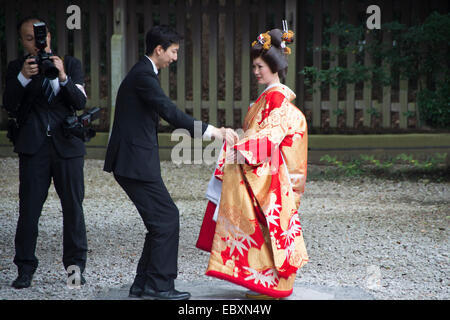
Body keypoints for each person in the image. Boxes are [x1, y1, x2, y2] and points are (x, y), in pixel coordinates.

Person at [103, 24, 238, 300]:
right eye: (173, 52)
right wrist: (215, 132)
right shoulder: (143, 76)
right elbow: (170, 112)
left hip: (133, 162)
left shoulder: (143, 74)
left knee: (160, 221)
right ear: (159, 49)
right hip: (134, 163)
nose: (175, 58)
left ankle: (143, 285)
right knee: (167, 219)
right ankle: (159, 286)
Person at [196, 25, 309, 299]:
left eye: (260, 66)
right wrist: (240, 143)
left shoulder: (277, 98)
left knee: (267, 226)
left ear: (274, 66)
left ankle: (272, 286)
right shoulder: (269, 98)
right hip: (265, 170)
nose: (256, 71)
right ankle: (266, 283)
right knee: (265, 228)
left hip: (270, 173)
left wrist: (244, 150)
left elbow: (271, 135)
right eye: (255, 66)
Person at [2, 17, 89, 289]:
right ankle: (25, 269)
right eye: (29, 38)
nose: (36, 42)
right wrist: (23, 78)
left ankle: (75, 270)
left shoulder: (71, 63)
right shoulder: (18, 68)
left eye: (39, 36)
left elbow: (80, 102)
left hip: (67, 148)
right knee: (28, 210)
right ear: (22, 41)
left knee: (73, 209)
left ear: (48, 36)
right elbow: (9, 105)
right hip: (34, 148)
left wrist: (62, 76)